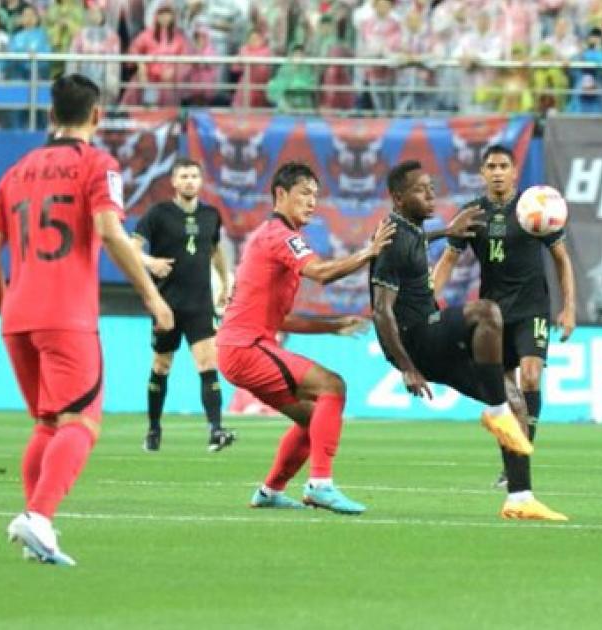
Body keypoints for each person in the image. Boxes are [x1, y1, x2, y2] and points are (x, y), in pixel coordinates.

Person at [0, 74, 174, 566]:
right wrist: (151, 295)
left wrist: (9, 307)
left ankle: (35, 527)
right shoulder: (98, 165)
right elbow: (109, 232)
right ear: (97, 116)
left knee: (48, 423)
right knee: (81, 423)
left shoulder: (16, 171)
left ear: (49, 117)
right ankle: (39, 518)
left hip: (17, 315)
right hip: (66, 315)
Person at [373, 161, 563, 520]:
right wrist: (407, 368)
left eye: (432, 186)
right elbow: (382, 312)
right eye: (421, 189)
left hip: (430, 345)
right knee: (485, 312)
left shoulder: (407, 230)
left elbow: (411, 245)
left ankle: (519, 498)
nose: (431, 194)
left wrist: (445, 231)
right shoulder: (392, 236)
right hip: (419, 337)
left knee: (517, 403)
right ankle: (493, 411)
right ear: (398, 198)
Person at [217, 162, 394, 515]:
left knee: (312, 416)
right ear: (281, 195)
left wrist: (331, 326)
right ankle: (320, 485)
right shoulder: (280, 236)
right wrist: (368, 252)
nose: (312, 202)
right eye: (304, 193)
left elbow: (280, 319)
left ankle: (269, 492)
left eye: (316, 195)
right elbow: (322, 273)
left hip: (244, 347)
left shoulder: (273, 237)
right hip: (246, 348)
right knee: (332, 386)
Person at [432, 145, 577, 488]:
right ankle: (510, 464)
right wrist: (427, 302)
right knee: (504, 392)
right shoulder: (472, 214)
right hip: (492, 315)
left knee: (530, 378)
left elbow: (561, 259)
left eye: (504, 166)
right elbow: (448, 261)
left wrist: (569, 307)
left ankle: (523, 453)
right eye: (491, 166)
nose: (497, 172)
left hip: (531, 310)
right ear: (482, 173)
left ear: (515, 172)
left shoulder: (534, 208)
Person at [133, 158, 233, 453]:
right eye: (184, 176)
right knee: (162, 365)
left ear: (200, 182)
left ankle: (216, 430)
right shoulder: (158, 214)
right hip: (167, 304)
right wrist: (151, 262)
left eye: (194, 176)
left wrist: (225, 283)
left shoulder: (211, 215)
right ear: (174, 182)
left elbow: (215, 251)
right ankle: (153, 429)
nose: (189, 181)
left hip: (200, 303)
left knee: (208, 363)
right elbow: (131, 248)